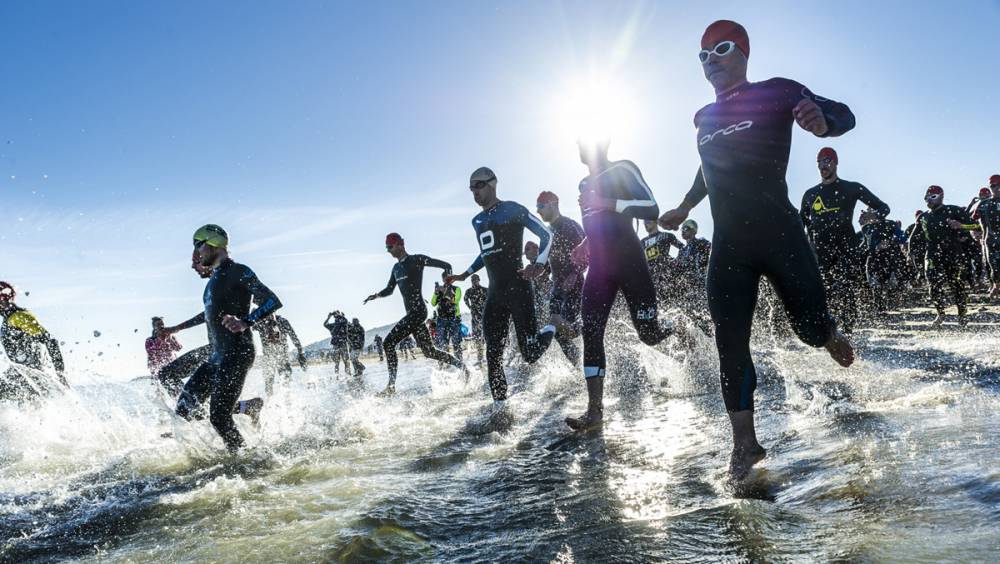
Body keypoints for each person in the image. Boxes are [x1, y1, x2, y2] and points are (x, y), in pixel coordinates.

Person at [658, 20, 855, 481]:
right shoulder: (703, 119)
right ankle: (744, 445)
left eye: (719, 49)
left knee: (806, 330)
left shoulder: (777, 91)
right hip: (730, 246)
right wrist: (685, 205)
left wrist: (823, 121)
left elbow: (843, 114)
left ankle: (826, 332)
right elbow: (708, 168)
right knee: (730, 345)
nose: (710, 61)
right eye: (702, 55)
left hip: (780, 233)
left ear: (743, 52)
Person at [566, 138, 680, 431]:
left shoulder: (623, 169)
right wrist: (584, 243)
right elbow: (598, 223)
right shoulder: (582, 183)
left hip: (629, 260)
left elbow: (651, 208)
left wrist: (605, 202)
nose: (582, 144)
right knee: (590, 331)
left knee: (649, 334)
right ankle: (594, 412)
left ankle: (681, 330)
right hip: (600, 268)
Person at [161, 225, 278, 453]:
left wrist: (245, 321)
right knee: (185, 409)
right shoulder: (211, 283)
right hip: (216, 356)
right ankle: (247, 409)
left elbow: (271, 300)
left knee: (219, 417)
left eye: (198, 246)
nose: (197, 253)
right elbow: (208, 315)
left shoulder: (239, 271)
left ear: (213, 244)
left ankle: (244, 459)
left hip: (237, 353)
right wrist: (175, 328)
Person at [446, 167, 556, 410]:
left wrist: (539, 264)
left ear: (493, 184)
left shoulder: (513, 209)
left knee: (529, 353)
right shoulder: (477, 221)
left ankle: (552, 328)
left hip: (519, 289)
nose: (474, 191)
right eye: (471, 188)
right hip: (495, 293)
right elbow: (486, 252)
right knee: (492, 355)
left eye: (479, 185)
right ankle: (500, 408)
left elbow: (546, 234)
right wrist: (466, 274)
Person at [799, 147, 890, 333]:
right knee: (823, 291)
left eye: (827, 161)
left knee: (844, 287)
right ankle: (828, 332)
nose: (823, 165)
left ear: (835, 162)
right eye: (820, 162)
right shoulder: (810, 194)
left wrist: (874, 216)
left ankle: (849, 331)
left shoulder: (851, 188)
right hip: (820, 251)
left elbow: (884, 207)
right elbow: (800, 224)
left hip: (846, 247)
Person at [364, 233, 467, 396]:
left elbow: (446, 265)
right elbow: (390, 290)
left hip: (418, 311)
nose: (388, 251)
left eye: (389, 247)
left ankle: (391, 386)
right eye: (386, 248)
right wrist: (376, 295)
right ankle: (462, 367)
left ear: (399, 245)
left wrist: (447, 284)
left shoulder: (417, 260)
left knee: (388, 343)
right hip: (412, 314)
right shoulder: (396, 268)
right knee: (429, 352)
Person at [907, 185, 979, 325]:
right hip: (933, 254)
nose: (929, 200)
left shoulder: (953, 210)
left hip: (953, 252)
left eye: (932, 197)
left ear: (941, 196)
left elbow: (976, 226)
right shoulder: (923, 217)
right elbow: (913, 238)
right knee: (933, 284)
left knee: (956, 284)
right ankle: (940, 313)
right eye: (926, 198)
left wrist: (961, 226)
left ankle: (962, 314)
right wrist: (911, 254)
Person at [535, 190, 586, 364]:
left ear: (553, 204)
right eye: (537, 207)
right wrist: (540, 274)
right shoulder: (547, 231)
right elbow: (548, 261)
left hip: (576, 285)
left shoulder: (570, 226)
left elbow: (588, 251)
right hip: (557, 288)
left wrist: (575, 273)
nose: (538, 211)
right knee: (554, 327)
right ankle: (578, 364)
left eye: (541, 206)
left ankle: (588, 356)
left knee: (570, 326)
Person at [0, 281, 67, 401]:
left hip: (31, 376)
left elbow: (50, 340)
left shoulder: (18, 317)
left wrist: (61, 375)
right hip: (21, 374)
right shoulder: (9, 319)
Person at [254, 301, 307, 396]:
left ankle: (287, 403)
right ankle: (270, 403)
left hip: (282, 356)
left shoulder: (282, 321)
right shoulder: (260, 322)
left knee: (286, 382)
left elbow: (294, 338)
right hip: (268, 357)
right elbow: (248, 325)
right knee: (269, 383)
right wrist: (254, 314)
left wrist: (301, 353)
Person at [640, 219, 685, 308]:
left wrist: (677, 261)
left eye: (648, 221)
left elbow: (683, 249)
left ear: (655, 221)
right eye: (644, 222)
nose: (645, 224)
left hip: (666, 275)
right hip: (651, 278)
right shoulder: (642, 242)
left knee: (670, 302)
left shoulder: (667, 236)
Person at [675, 219, 713, 311]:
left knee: (704, 312)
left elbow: (712, 251)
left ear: (694, 230)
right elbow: (678, 269)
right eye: (682, 229)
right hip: (688, 288)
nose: (683, 230)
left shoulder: (702, 242)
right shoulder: (682, 251)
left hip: (701, 285)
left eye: (686, 228)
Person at [976, 175, 1000, 296]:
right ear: (990, 187)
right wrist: (971, 231)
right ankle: (995, 285)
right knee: (993, 266)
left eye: (999, 185)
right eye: (994, 186)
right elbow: (971, 222)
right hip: (990, 240)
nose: (997, 188)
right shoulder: (983, 204)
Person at [431, 274, 463, 362]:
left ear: (452, 278)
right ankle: (443, 364)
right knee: (442, 343)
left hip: (454, 318)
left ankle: (460, 363)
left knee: (456, 342)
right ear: (442, 279)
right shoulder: (439, 289)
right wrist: (436, 293)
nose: (447, 279)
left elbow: (456, 300)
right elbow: (433, 303)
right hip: (441, 319)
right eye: (445, 278)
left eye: (449, 277)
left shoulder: (456, 288)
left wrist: (445, 292)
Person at [463, 274, 488, 365]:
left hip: (485, 316)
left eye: (475, 280)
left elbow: (490, 300)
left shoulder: (485, 290)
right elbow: (465, 299)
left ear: (479, 280)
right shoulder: (469, 291)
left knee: (486, 337)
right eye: (472, 280)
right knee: (477, 337)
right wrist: (470, 307)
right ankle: (480, 358)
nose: (474, 281)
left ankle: (488, 356)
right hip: (475, 317)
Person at [323, 311, 352, 377]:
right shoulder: (334, 325)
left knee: (345, 362)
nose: (337, 317)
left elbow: (345, 321)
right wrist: (328, 317)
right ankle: (338, 376)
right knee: (338, 363)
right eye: (336, 316)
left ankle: (347, 376)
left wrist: (339, 316)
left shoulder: (343, 323)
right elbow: (325, 324)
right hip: (337, 345)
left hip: (342, 344)